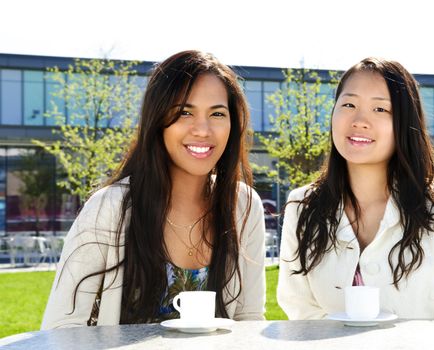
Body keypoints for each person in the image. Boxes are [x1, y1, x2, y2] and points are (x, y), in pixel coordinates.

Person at [42, 50, 266, 328]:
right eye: (185, 112)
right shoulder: (110, 207)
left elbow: (249, 321)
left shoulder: (243, 205)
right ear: (158, 120)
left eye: (217, 113)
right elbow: (61, 329)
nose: (203, 130)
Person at [277, 57, 434, 320]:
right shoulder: (302, 206)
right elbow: (301, 313)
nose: (359, 120)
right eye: (348, 104)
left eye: (380, 109)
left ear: (404, 123)